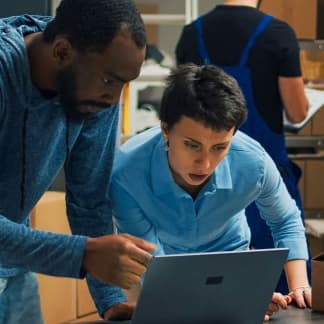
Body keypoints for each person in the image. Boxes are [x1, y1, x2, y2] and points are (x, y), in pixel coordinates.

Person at [109, 64, 312, 321]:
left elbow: (285, 220)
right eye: (192, 145)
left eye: (219, 147)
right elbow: (151, 258)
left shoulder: (253, 162)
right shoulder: (127, 173)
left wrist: (299, 288)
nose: (204, 164)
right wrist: (237, 300)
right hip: (162, 269)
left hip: (232, 261)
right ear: (165, 131)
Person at [0, 0, 157, 323]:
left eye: (124, 84)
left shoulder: (94, 85)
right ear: (61, 52)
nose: (115, 99)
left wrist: (111, 300)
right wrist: (82, 254)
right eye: (109, 81)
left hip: (13, 266)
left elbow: (89, 200)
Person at [175, 0, 310, 294]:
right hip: (265, 176)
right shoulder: (278, 33)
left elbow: (182, 106)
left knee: (214, 288)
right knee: (287, 287)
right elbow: (298, 112)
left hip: (203, 180)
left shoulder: (191, 33)